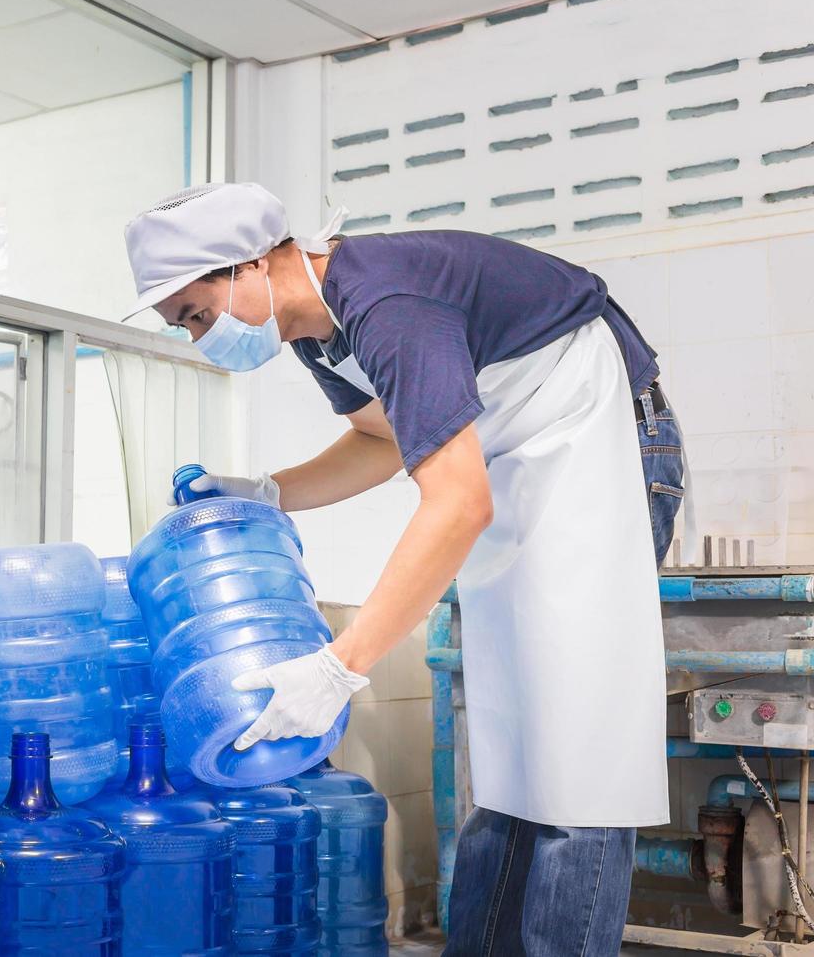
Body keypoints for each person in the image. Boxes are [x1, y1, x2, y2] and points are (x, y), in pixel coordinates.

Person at [121, 182, 686, 956]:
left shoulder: (387, 305)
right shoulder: (320, 334)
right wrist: (269, 493)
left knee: (579, 743)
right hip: (520, 467)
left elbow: (456, 505)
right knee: (516, 742)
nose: (197, 338)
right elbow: (382, 442)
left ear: (249, 263)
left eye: (194, 314)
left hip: (604, 445)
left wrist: (337, 666)